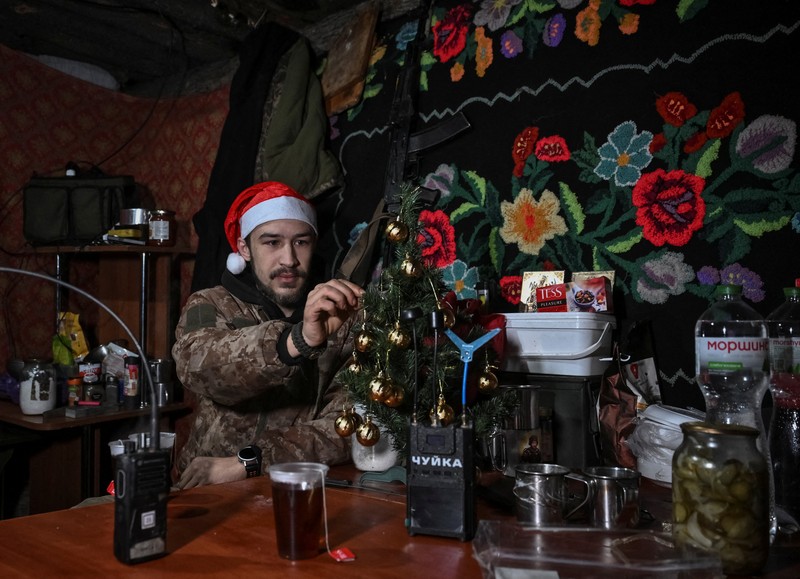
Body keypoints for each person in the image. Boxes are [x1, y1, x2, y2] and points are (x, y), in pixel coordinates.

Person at [173, 181, 364, 488]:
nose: (288, 259)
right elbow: (197, 369)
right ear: (245, 248)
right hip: (212, 490)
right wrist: (295, 342)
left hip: (304, 488)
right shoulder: (210, 303)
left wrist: (253, 460)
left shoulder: (342, 316)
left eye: (301, 242)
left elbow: (350, 425)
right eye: (272, 242)